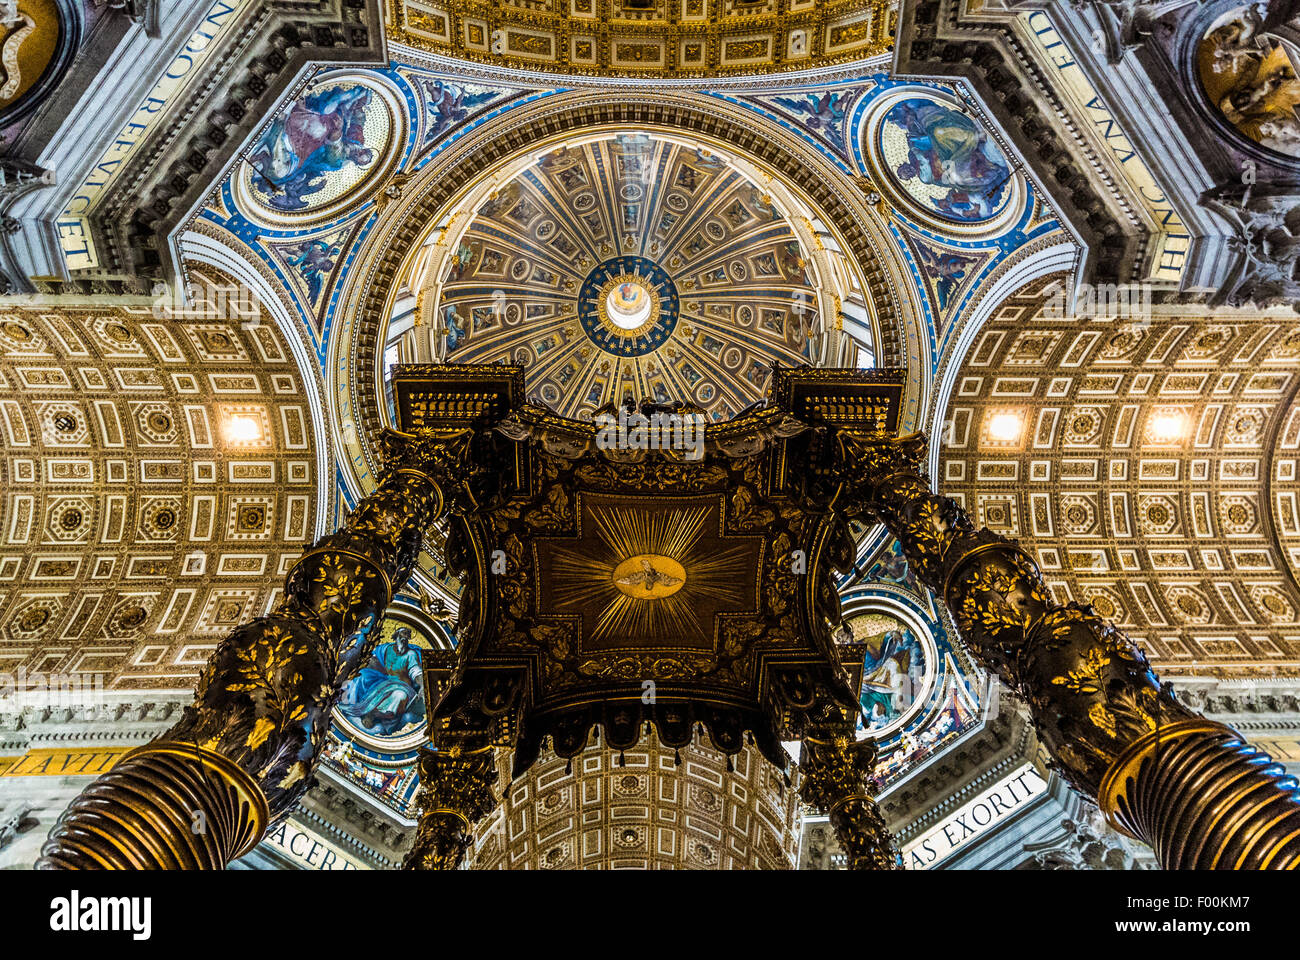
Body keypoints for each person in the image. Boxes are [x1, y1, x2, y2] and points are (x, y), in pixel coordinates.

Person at [339, 627, 425, 737]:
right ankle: (352, 702)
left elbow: (415, 672)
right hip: (384, 682)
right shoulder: (386, 649)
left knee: (399, 695)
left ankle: (374, 715)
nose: (405, 638)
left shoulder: (411, 654)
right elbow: (373, 659)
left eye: (407, 636)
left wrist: (422, 686)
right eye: (402, 635)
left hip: (403, 686)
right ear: (396, 636)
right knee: (362, 676)